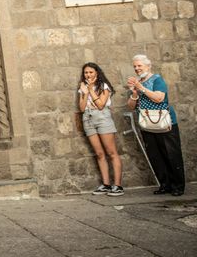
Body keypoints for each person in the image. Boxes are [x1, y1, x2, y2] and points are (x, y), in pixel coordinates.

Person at [127, 54, 185, 196]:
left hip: (165, 122)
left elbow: (159, 98)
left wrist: (141, 88)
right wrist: (134, 93)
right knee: (155, 156)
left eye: (139, 65)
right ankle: (164, 185)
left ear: (148, 65)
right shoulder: (137, 84)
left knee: (171, 155)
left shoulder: (157, 79)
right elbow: (131, 106)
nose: (137, 68)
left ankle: (177, 186)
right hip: (147, 123)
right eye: (135, 66)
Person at [77, 63, 123, 196]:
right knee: (99, 153)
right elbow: (81, 108)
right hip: (88, 118)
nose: (88, 75)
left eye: (91, 72)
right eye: (86, 72)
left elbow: (101, 105)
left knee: (111, 152)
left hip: (102, 118)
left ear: (97, 73)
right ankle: (106, 184)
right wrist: (85, 93)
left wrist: (91, 90)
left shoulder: (104, 86)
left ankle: (118, 185)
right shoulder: (82, 87)